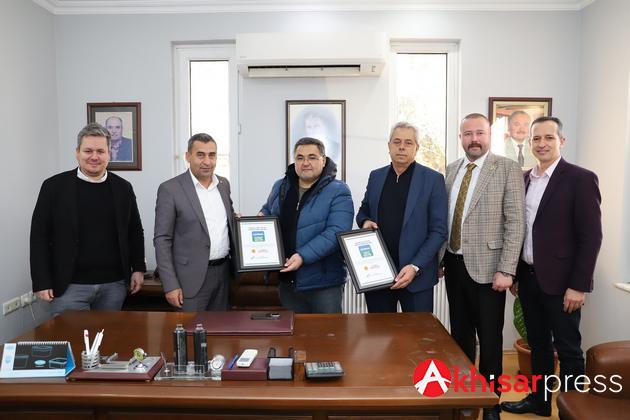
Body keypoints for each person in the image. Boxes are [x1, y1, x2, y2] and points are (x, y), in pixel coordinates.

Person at [501, 117, 602, 416]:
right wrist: (515, 273)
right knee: (538, 346)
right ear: (530, 143)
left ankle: (571, 409)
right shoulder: (523, 179)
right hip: (529, 278)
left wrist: (578, 286)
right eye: (536, 138)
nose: (542, 144)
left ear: (561, 141)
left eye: (549, 138)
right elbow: (518, 230)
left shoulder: (580, 179)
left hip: (563, 284)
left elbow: (591, 237)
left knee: (568, 350)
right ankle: (539, 401)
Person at [441, 113, 525, 420]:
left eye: (479, 133)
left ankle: (491, 402)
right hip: (454, 264)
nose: (474, 139)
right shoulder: (451, 170)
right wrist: (440, 258)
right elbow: (446, 218)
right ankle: (466, 395)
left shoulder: (507, 168)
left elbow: (516, 222)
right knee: (460, 336)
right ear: (460, 137)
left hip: (490, 270)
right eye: (468, 134)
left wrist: (507, 269)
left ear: (490, 136)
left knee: (490, 340)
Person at [30, 122, 146, 316]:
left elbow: (135, 231)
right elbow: (39, 236)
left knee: (109, 335)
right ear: (77, 152)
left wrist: (139, 268)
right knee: (71, 336)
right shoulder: (53, 187)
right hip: (68, 286)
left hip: (114, 285)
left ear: (109, 154)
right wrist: (41, 281)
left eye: (100, 151)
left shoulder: (123, 188)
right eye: (88, 151)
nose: (94, 157)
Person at [356, 122, 448, 312]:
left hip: (417, 276)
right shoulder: (376, 176)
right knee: (379, 330)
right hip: (378, 275)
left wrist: (415, 266)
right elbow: (363, 211)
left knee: (417, 331)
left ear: (417, 148)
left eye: (408, 142)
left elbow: (439, 231)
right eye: (397, 142)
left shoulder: (433, 179)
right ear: (389, 145)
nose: (402, 147)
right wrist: (365, 221)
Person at [259, 137, 353, 313]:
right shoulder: (280, 186)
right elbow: (267, 210)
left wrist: (302, 256)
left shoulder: (338, 190)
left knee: (327, 330)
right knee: (293, 330)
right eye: (300, 157)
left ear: (323, 160)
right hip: (288, 281)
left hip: (324, 284)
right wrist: (258, 219)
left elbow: (337, 232)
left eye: (312, 157)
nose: (305, 163)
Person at [154, 133, 235, 311]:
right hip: (189, 280)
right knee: (190, 329)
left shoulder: (223, 185)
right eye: (200, 155)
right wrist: (170, 284)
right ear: (188, 156)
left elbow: (227, 222)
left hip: (223, 274)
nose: (207, 161)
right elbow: (162, 239)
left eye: (212, 155)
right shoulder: (170, 189)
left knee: (220, 327)